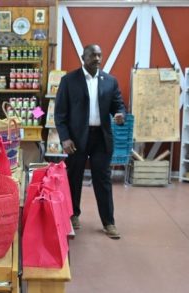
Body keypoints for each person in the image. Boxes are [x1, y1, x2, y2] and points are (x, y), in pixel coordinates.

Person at [54, 44, 126, 239]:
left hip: (101, 139)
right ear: (83, 57)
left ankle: (109, 222)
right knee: (73, 178)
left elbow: (118, 105)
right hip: (76, 139)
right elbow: (59, 114)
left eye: (99, 55)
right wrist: (65, 138)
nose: (97, 58)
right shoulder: (69, 81)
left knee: (103, 180)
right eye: (93, 55)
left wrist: (120, 115)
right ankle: (73, 215)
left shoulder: (110, 81)